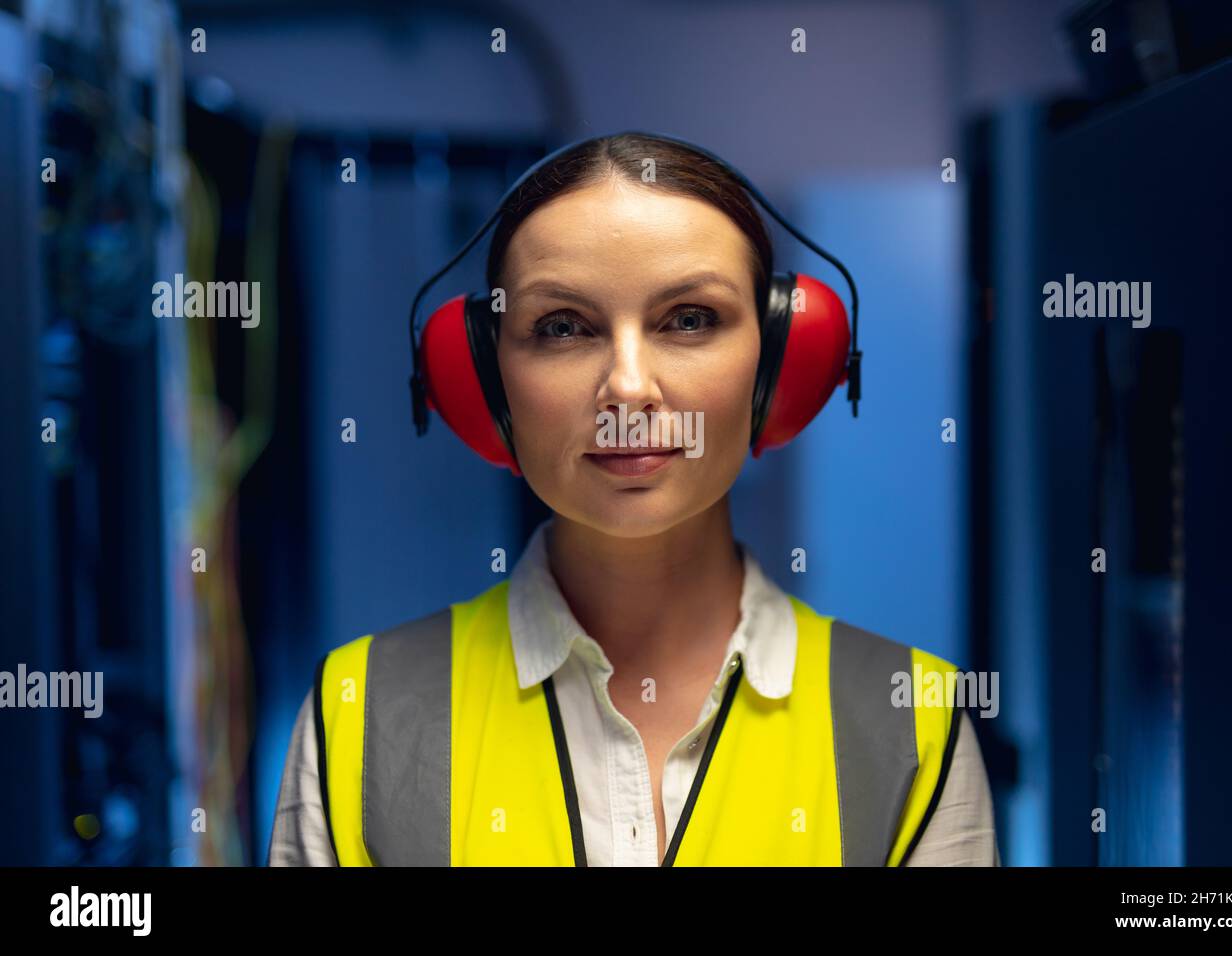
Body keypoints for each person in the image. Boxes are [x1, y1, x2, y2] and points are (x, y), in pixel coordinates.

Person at [269, 132, 999, 867]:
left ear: (781, 366)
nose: (627, 387)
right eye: (561, 327)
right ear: (486, 388)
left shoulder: (916, 719)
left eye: (689, 319)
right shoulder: (356, 712)